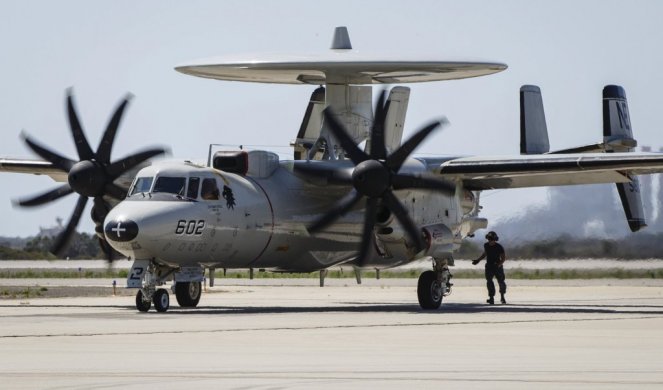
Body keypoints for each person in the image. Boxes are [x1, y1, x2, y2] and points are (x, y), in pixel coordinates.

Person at [472, 231, 507, 304]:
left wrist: (499, 265)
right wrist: (478, 260)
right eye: (489, 238)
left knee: (501, 282)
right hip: (489, 266)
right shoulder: (486, 245)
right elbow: (485, 254)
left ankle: (502, 297)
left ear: (495, 239)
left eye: (491, 239)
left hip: (497, 266)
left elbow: (503, 258)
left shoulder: (499, 247)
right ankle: (491, 298)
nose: (490, 240)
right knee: (489, 282)